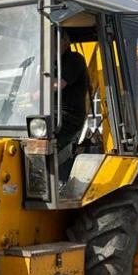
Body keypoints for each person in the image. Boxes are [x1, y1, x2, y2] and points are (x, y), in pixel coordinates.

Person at [55, 37, 89, 182]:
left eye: (53, 40)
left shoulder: (74, 60)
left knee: (42, 138)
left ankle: (55, 181)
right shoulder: (49, 63)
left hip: (69, 115)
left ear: (65, 41)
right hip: (53, 114)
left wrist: (33, 93)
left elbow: (57, 84)